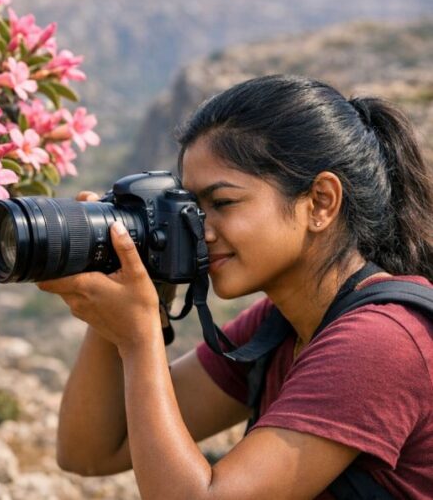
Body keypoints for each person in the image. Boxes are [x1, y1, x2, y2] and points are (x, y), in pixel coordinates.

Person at [39, 75, 433, 499]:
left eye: (222, 203)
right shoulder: (280, 327)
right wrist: (115, 276)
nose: (200, 231)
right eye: (191, 210)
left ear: (321, 202)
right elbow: (89, 452)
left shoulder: (382, 340)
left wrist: (139, 339)